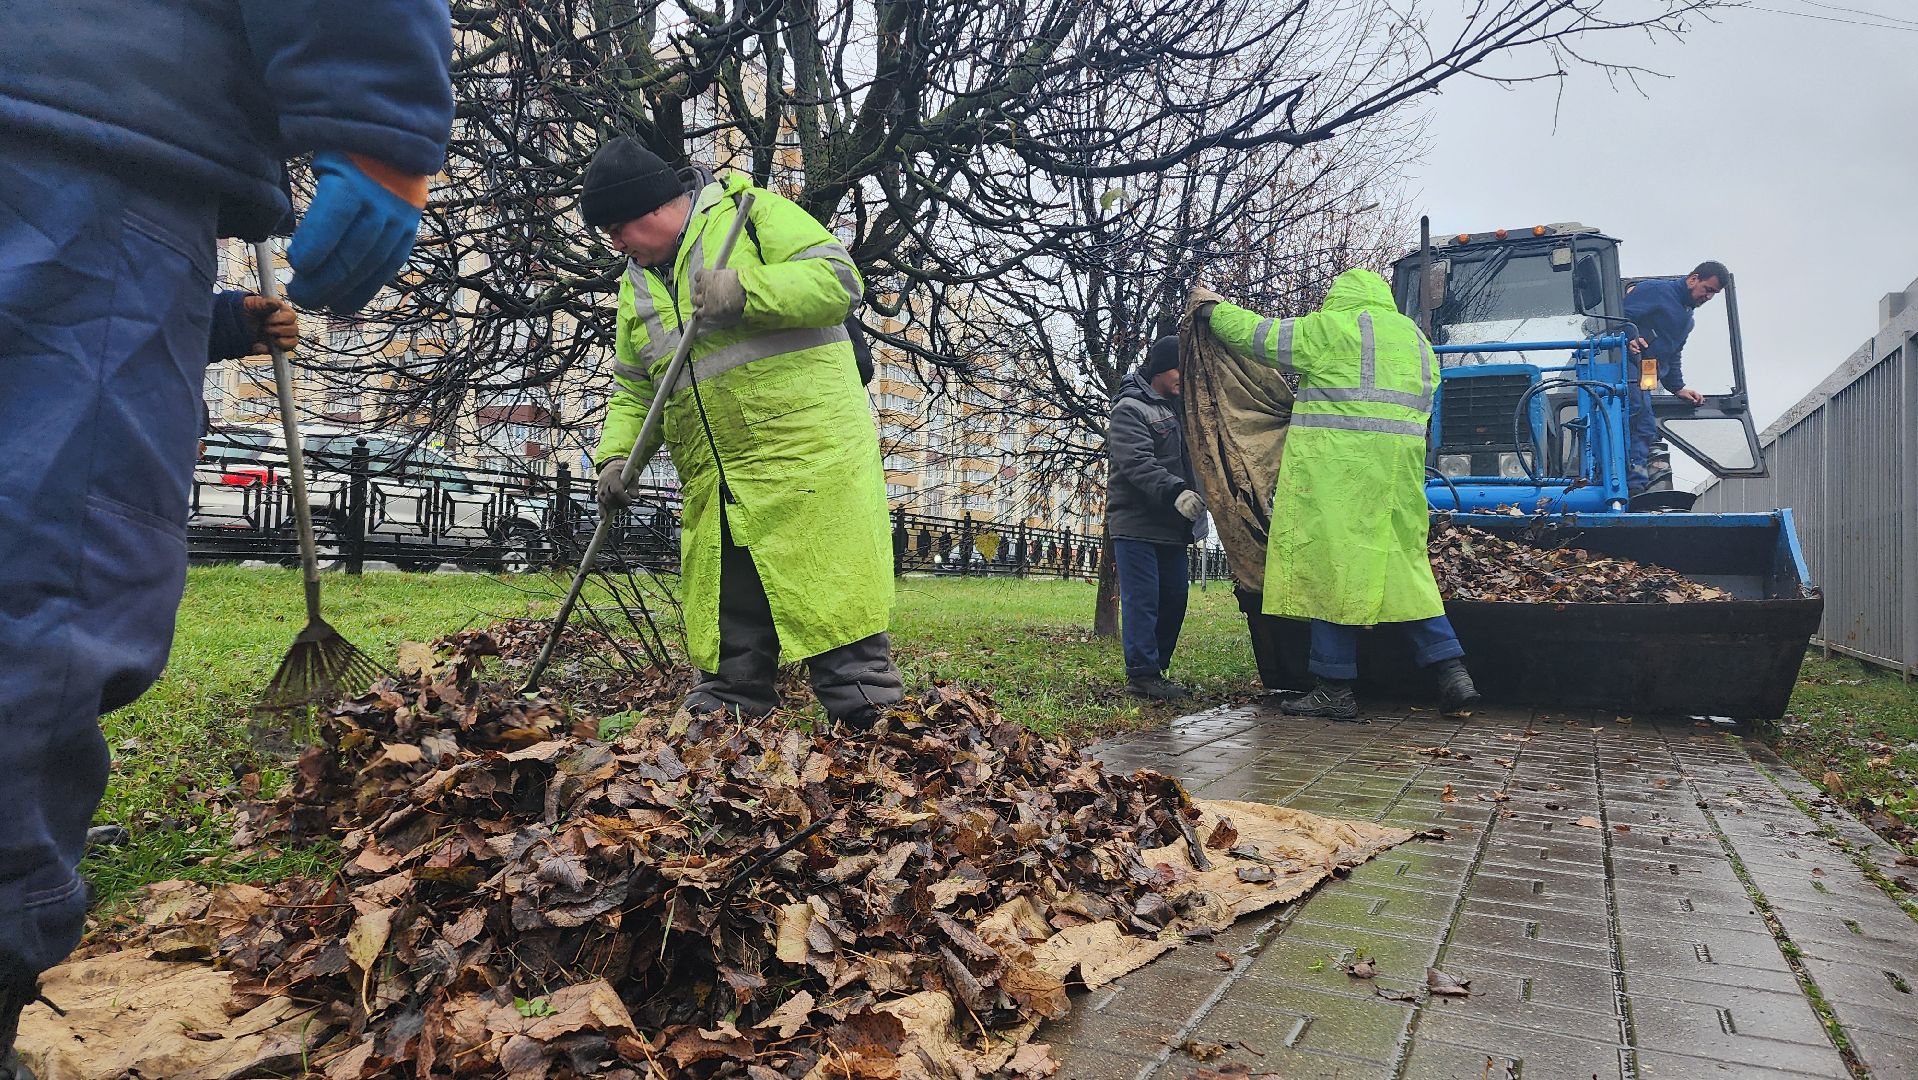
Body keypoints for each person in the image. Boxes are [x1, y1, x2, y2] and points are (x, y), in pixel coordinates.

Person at [0, 4, 452, 1074]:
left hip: (64, 128)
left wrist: (226, 322)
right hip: (90, 135)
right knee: (43, 574)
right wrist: (383, 128)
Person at [581, 136, 904, 728]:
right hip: (719, 478)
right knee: (731, 612)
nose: (616, 244)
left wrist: (745, 292)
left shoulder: (750, 216)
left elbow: (838, 281)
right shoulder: (637, 285)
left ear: (653, 208)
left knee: (831, 594)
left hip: (806, 459)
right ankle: (727, 717)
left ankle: (871, 722)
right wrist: (617, 458)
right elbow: (636, 388)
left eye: (617, 229)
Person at [1203, 270, 1479, 721]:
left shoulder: (1335, 328)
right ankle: (1452, 670)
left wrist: (1212, 310)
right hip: (1397, 480)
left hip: (1339, 477)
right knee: (1403, 573)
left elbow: (1260, 337)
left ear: (1341, 297)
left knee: (1331, 574)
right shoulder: (1416, 342)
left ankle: (1333, 689)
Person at [1106, 335, 1206, 701]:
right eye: (1179, 369)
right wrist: (1177, 492)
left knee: (1174, 600)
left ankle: (1156, 670)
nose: (1184, 377)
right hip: (1136, 524)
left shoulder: (1183, 410)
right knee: (1143, 602)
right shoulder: (1130, 409)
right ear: (1160, 369)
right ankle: (1142, 675)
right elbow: (1137, 463)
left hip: (1172, 527)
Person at [1622, 261, 1725, 491]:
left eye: (1714, 294)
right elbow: (1617, 317)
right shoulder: (1656, 290)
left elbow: (1672, 354)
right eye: (1708, 289)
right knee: (1639, 416)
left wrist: (1678, 387)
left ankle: (1637, 485)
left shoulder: (1687, 320)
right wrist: (1629, 337)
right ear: (1693, 279)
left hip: (1646, 370)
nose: (1708, 297)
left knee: (1646, 425)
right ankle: (1633, 485)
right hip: (1623, 364)